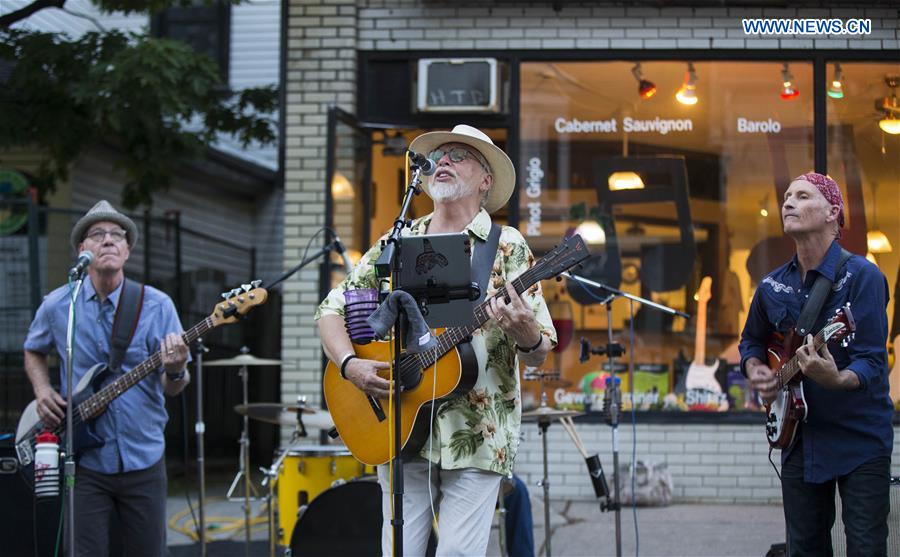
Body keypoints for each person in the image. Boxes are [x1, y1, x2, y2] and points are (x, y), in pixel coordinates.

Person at [316, 124, 556, 556]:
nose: (443, 161)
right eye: (439, 155)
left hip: (477, 433)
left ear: (486, 181)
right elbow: (331, 309)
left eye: (458, 156)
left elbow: (541, 350)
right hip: (398, 421)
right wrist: (350, 365)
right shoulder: (397, 241)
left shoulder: (507, 246)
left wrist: (524, 331)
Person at [24, 200, 190, 556]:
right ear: (82, 250)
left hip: (143, 457)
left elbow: (173, 387)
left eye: (118, 235)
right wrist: (42, 389)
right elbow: (33, 349)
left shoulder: (157, 305)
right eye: (97, 235)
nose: (108, 240)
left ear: (127, 251)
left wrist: (176, 367)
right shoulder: (58, 304)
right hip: (83, 462)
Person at [739, 173, 892, 556]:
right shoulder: (772, 286)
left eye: (802, 196)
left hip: (860, 437)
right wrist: (755, 368)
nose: (787, 202)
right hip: (800, 436)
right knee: (804, 548)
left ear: (832, 213)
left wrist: (837, 377)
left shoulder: (863, 278)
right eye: (787, 196)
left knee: (866, 546)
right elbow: (750, 342)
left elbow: (873, 361)